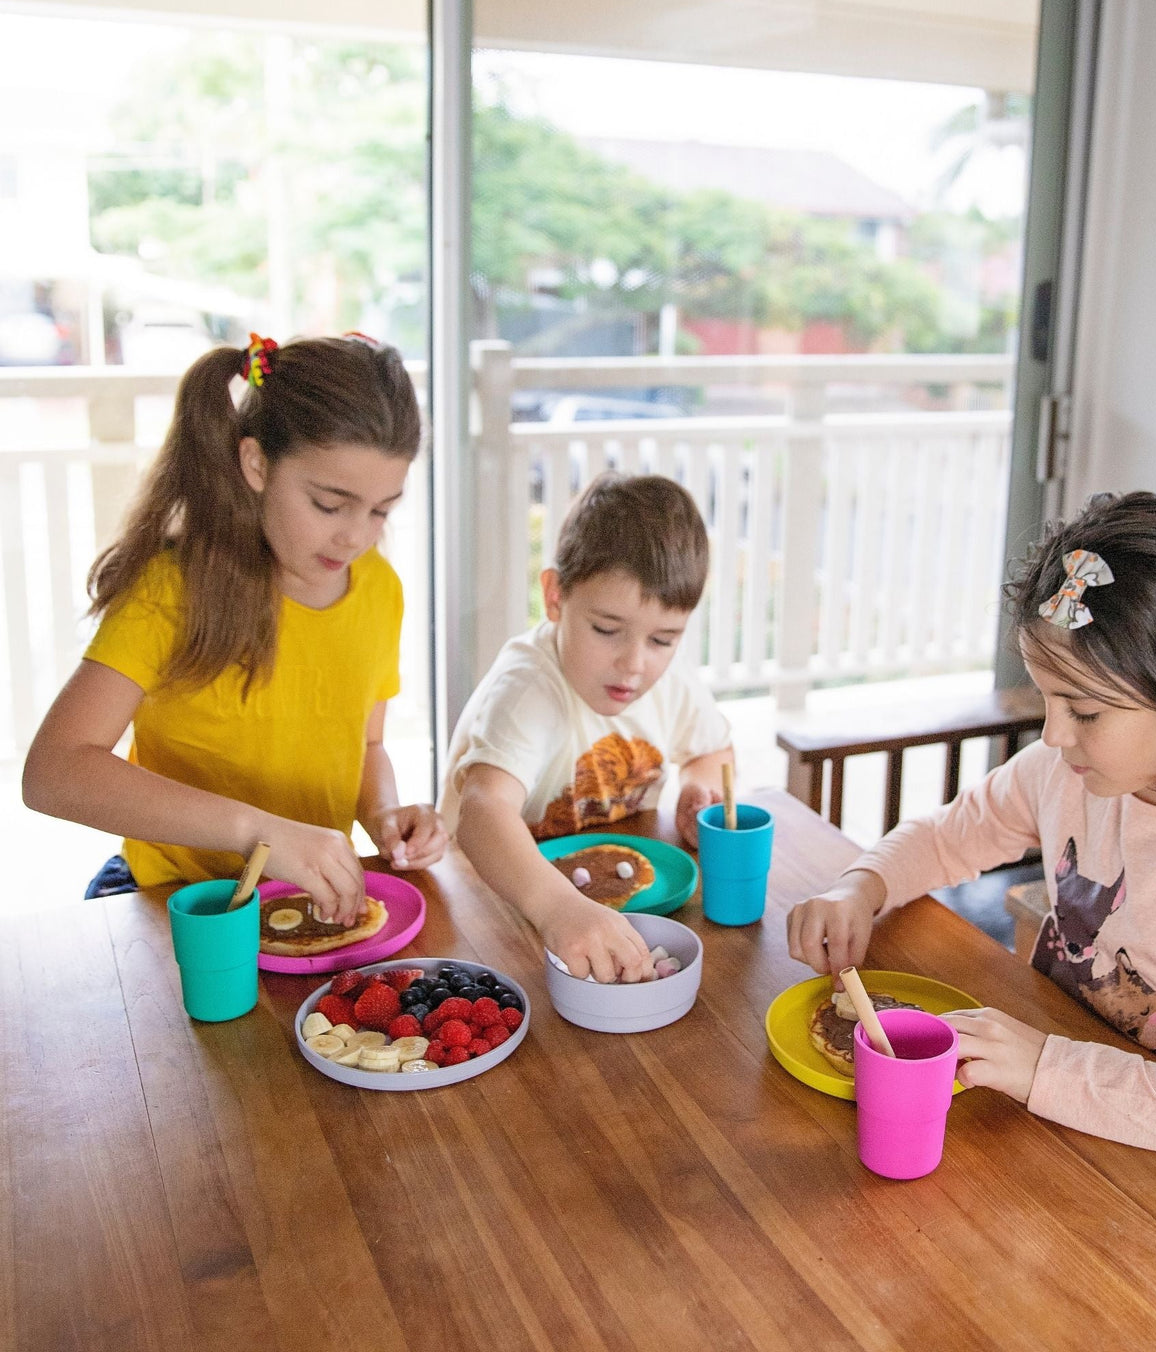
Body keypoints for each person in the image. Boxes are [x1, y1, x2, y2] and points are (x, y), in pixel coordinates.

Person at [787, 492, 1156, 1169]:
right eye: (1047, 699)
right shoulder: (1065, 772)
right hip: (1046, 1127)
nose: (1052, 734)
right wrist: (862, 886)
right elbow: (950, 836)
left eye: (1085, 712)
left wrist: (1049, 1068)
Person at [22, 334, 448, 923]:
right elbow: (53, 772)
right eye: (329, 505)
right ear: (256, 464)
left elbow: (367, 746)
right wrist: (258, 833)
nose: (356, 537)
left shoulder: (379, 589)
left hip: (307, 904)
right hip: (174, 899)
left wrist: (385, 816)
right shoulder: (172, 591)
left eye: (381, 510)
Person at [441, 472, 734, 983]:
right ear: (555, 597)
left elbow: (713, 750)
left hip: (617, 910)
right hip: (496, 911)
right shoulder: (528, 688)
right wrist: (557, 908)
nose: (634, 664)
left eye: (663, 640)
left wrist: (698, 787)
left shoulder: (670, 681)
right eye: (606, 629)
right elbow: (482, 811)